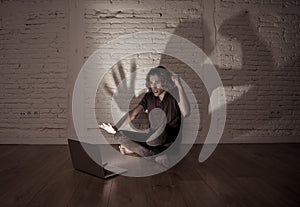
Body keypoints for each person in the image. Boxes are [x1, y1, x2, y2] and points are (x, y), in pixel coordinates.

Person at [99, 66, 190, 167]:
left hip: (169, 141)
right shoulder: (148, 97)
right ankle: (155, 155)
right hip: (151, 139)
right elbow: (134, 113)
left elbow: (186, 112)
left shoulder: (174, 93)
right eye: (151, 82)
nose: (153, 86)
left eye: (157, 82)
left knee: (157, 137)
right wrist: (115, 128)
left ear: (164, 81)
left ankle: (136, 149)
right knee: (119, 135)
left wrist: (179, 85)